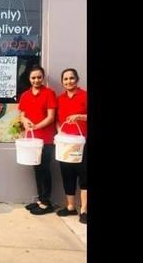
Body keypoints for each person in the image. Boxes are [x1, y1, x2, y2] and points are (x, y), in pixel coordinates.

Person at [18, 65, 57, 215]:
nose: (36, 80)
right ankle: (40, 199)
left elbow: (51, 117)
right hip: (31, 140)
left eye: (39, 77)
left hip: (46, 139)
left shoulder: (49, 93)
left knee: (45, 169)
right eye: (33, 77)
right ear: (29, 79)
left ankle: (47, 203)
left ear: (43, 77)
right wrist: (25, 120)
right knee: (36, 169)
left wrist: (35, 126)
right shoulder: (25, 95)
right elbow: (22, 114)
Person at [55, 68, 88, 224]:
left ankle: (84, 210)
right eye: (66, 79)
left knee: (84, 176)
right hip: (65, 143)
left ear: (77, 79)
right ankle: (70, 207)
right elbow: (56, 120)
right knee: (67, 174)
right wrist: (59, 135)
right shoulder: (60, 99)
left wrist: (80, 116)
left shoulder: (84, 95)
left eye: (71, 78)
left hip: (82, 143)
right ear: (62, 82)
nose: (69, 81)